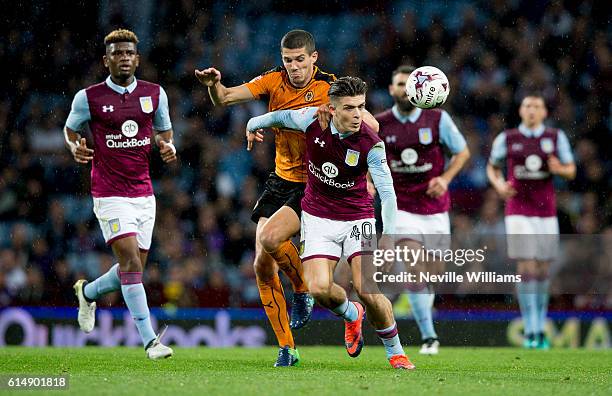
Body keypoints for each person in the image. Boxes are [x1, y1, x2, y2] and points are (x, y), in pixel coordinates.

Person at [195, 30, 378, 366]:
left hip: (316, 183)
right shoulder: (273, 81)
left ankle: (303, 289)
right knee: (262, 265)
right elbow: (224, 98)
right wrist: (213, 84)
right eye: (288, 60)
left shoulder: (331, 87)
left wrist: (365, 170)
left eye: (300, 60)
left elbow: (370, 126)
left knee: (270, 237)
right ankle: (288, 348)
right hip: (280, 180)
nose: (294, 67)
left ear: (314, 58)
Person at [246, 76, 415, 370]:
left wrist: (389, 236)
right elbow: (278, 116)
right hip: (318, 217)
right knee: (319, 288)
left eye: (361, 107)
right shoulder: (311, 120)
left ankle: (396, 352)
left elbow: (387, 194)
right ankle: (352, 314)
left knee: (367, 287)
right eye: (349, 108)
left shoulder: (371, 144)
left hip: (357, 218)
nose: (358, 115)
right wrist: (252, 124)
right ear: (332, 109)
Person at [64, 29, 177, 359]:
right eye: (117, 53)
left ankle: (88, 292)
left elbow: (165, 131)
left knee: (133, 271)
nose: (124, 57)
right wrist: (74, 147)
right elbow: (71, 130)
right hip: (109, 192)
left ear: (137, 59)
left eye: (129, 52)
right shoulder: (89, 97)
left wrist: (166, 145)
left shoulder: (154, 94)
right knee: (129, 262)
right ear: (106, 59)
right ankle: (150, 340)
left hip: (144, 194)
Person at [375, 65, 470, 355]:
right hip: (401, 208)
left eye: (408, 84)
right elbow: (368, 156)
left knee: (432, 273)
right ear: (391, 89)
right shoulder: (380, 123)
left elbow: (462, 152)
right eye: (399, 84)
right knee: (414, 269)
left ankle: (424, 318)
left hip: (435, 209)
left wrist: (445, 178)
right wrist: (367, 182)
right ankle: (429, 337)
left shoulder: (438, 119)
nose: (403, 89)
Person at [487, 93, 576, 349]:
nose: (532, 110)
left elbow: (571, 169)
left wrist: (560, 169)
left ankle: (539, 325)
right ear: (521, 110)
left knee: (542, 270)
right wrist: (499, 184)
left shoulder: (555, 137)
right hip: (518, 210)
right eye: (527, 106)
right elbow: (492, 166)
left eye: (537, 106)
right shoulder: (508, 138)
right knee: (526, 266)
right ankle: (531, 330)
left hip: (546, 212)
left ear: (545, 112)